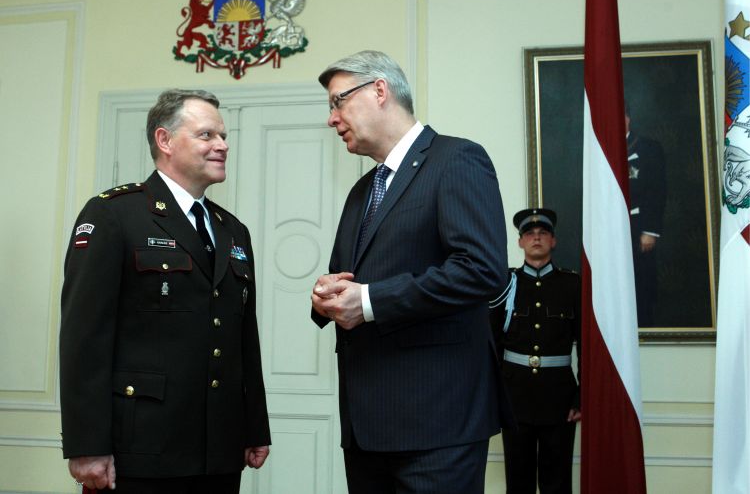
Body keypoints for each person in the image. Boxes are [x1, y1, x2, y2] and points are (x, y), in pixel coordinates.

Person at [309, 50, 514, 494]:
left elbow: (481, 270)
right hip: (366, 429)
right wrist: (326, 296)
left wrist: (369, 302)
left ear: (379, 90)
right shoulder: (363, 189)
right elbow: (347, 278)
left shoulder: (456, 159)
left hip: (437, 425)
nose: (332, 119)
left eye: (338, 101)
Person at [59, 89, 271, 493]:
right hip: (142, 447)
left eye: (223, 136)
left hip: (219, 449)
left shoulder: (232, 230)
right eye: (207, 135)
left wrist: (254, 426)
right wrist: (87, 444)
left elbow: (244, 338)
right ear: (165, 140)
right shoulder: (114, 214)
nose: (222, 145)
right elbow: (84, 339)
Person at [489, 208, 581, 494]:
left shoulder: (572, 285)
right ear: (520, 242)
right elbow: (492, 342)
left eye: (543, 233)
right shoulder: (505, 284)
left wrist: (581, 395)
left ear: (553, 241)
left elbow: (585, 344)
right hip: (515, 397)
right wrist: (495, 393)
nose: (536, 238)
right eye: (529, 234)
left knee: (558, 482)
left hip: (559, 399)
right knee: (518, 481)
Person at [626, 105, 666, 327]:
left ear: (628, 118)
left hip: (639, 227)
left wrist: (650, 230)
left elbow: (657, 191)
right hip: (610, 230)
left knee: (641, 285)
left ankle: (645, 330)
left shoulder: (648, 148)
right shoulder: (601, 148)